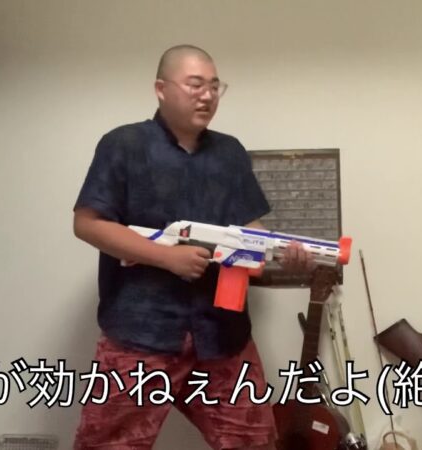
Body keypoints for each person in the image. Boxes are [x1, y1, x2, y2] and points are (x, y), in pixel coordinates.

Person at [72, 44, 315, 450]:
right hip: (140, 330)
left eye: (215, 87)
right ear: (161, 89)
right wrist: (167, 258)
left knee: (254, 442)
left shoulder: (230, 152)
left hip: (222, 331)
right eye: (195, 85)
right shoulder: (123, 144)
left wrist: (280, 250)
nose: (207, 96)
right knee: (108, 444)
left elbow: (249, 228)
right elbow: (88, 223)